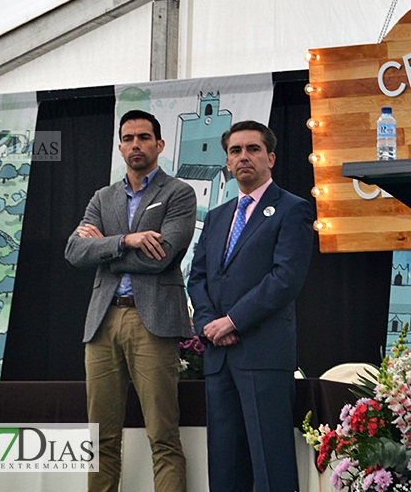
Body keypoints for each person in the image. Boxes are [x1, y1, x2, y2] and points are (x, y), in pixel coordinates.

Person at [65, 109, 195, 492]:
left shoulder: (178, 193)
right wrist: (126, 240)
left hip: (151, 321)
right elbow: (74, 251)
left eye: (143, 137)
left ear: (160, 144)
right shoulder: (102, 197)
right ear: (120, 146)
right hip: (103, 322)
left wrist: (102, 245)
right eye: (128, 138)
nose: (135, 145)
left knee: (163, 436)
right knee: (101, 438)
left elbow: (162, 255)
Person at [188, 120, 314, 492]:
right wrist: (210, 323)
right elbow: (198, 278)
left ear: (270, 158)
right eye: (235, 151)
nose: (244, 156)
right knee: (225, 468)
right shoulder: (216, 216)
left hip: (263, 355)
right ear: (227, 163)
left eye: (253, 149)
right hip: (219, 357)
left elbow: (285, 279)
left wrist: (233, 321)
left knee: (271, 465)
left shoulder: (293, 209)